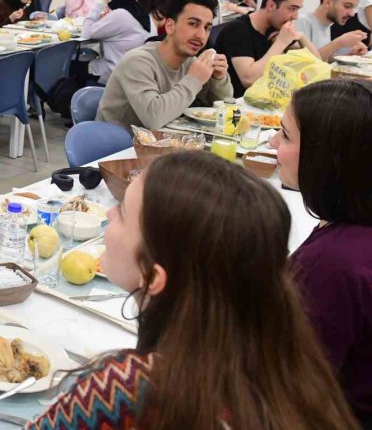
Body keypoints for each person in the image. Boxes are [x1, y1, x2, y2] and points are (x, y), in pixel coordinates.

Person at [27, 150, 360, 430]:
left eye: (124, 213)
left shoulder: (129, 388)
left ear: (154, 278)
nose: (110, 214)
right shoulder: (293, 369)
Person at [270, 79, 372, 426]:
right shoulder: (348, 226)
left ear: (324, 154)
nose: (273, 143)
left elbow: (285, 390)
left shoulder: (332, 265)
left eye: (284, 136)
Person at [97, 0, 232, 130]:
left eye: (207, 28)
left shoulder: (191, 63)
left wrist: (218, 79)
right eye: (193, 24)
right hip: (119, 147)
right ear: (170, 26)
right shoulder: (137, 61)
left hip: (164, 141)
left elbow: (219, 112)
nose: (201, 35)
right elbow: (154, 118)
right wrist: (194, 79)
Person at [215, 0, 319, 97]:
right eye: (292, 9)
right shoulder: (237, 30)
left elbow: (317, 64)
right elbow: (249, 80)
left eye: (297, 10)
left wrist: (301, 37)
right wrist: (281, 43)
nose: (296, 16)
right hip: (234, 105)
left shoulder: (274, 28)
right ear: (271, 6)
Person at [81, 0, 151, 85]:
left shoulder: (121, 14)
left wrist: (99, 4)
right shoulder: (139, 11)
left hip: (114, 71)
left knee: (71, 66)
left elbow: (86, 33)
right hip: (132, 70)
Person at [296, 0, 368, 62]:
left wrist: (350, 55)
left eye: (354, 8)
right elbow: (304, 62)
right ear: (327, 2)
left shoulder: (327, 25)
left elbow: (324, 60)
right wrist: (338, 43)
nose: (352, 14)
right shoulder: (302, 22)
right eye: (347, 6)